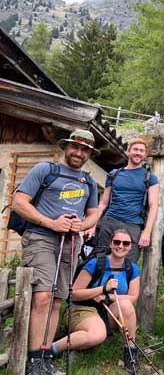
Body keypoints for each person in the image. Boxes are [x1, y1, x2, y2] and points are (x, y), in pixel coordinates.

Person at [12, 129, 100, 375]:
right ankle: (32, 361)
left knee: (57, 300)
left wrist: (80, 225)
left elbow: (93, 213)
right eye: (75, 147)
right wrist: (51, 223)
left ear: (89, 154)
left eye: (84, 150)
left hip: (71, 242)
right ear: (66, 147)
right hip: (41, 238)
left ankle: (44, 357)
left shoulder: (89, 182)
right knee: (42, 297)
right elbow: (19, 202)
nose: (79, 153)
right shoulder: (45, 170)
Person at [50, 229, 141, 372]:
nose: (121, 246)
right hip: (82, 309)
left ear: (130, 247)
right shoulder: (95, 264)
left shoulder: (132, 268)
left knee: (127, 305)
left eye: (125, 243)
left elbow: (133, 297)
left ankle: (130, 351)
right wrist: (101, 289)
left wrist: (107, 296)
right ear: (111, 244)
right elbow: (73, 294)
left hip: (106, 310)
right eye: (117, 242)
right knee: (98, 335)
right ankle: (51, 350)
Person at [90, 137, 159, 261]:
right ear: (128, 151)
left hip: (133, 225)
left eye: (141, 151)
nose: (138, 153)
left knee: (128, 265)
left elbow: (154, 206)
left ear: (145, 154)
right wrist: (92, 225)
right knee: (101, 262)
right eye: (135, 149)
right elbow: (103, 203)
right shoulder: (114, 174)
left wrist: (147, 232)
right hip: (110, 221)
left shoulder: (150, 178)